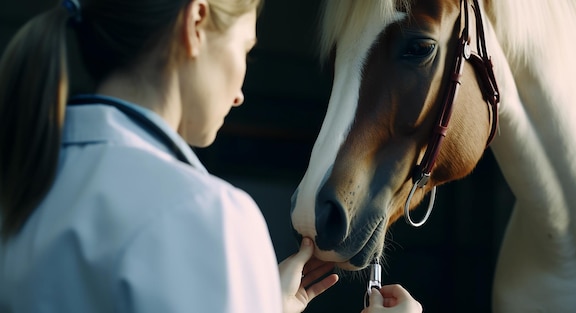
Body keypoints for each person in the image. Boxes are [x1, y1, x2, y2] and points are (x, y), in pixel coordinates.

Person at [0, 0, 422, 312]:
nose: (240, 94)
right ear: (197, 22)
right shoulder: (205, 214)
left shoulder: (24, 186)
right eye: (245, 50)